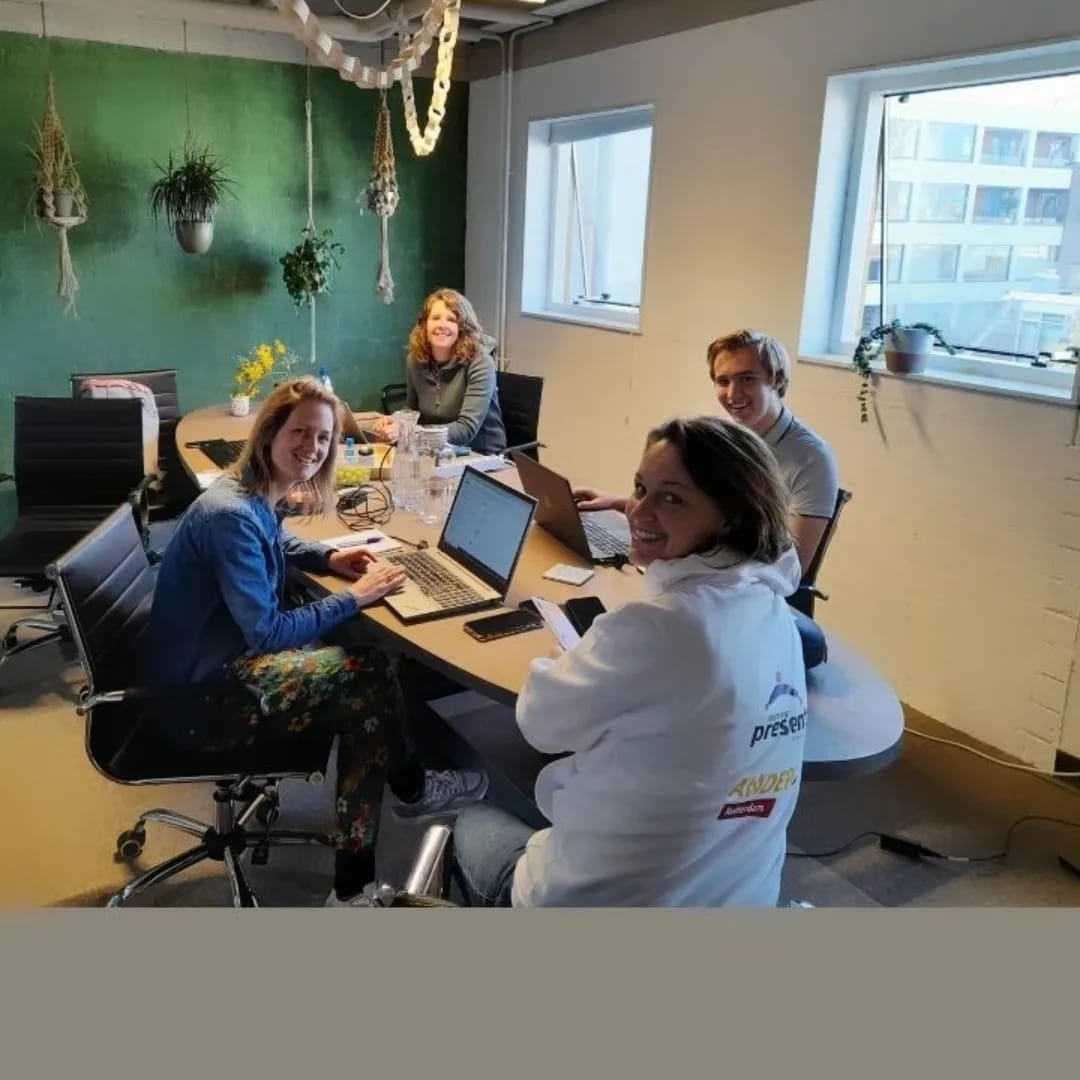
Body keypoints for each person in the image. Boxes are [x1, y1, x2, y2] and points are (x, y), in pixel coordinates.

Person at [143, 377, 488, 905]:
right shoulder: (230, 516)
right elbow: (266, 634)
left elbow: (275, 537)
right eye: (300, 432)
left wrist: (328, 557)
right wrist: (355, 596)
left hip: (204, 664)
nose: (313, 447)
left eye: (324, 437)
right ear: (270, 433)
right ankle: (399, 813)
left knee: (367, 684)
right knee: (370, 674)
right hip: (202, 698)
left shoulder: (246, 493)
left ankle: (365, 867)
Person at [452, 416, 808, 907]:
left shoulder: (658, 627)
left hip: (604, 905)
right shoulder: (775, 612)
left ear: (730, 516)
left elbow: (540, 724)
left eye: (671, 498)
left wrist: (570, 657)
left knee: (470, 818)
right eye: (640, 488)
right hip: (739, 901)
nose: (638, 510)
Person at [575, 330, 839, 575]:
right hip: (699, 571)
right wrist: (616, 503)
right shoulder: (724, 438)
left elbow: (793, 567)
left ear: (777, 379)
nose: (733, 394)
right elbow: (698, 512)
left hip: (739, 588)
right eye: (723, 381)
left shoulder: (812, 457)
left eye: (746, 379)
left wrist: (685, 572)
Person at [371, 288, 506, 453]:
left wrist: (411, 432)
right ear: (425, 324)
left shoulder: (480, 363)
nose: (442, 325)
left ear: (462, 327)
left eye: (451, 319)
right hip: (434, 449)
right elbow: (412, 408)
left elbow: (466, 430)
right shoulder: (415, 360)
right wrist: (397, 421)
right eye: (435, 318)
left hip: (480, 454)